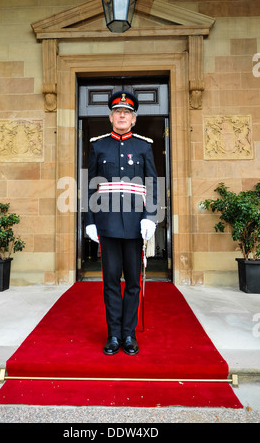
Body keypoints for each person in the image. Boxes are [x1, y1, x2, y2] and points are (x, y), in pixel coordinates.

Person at [85, 91, 158, 355]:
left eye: (127, 112)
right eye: (117, 112)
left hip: (136, 225)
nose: (122, 116)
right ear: (110, 117)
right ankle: (113, 335)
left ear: (134, 119)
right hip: (107, 225)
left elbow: (152, 184)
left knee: (134, 283)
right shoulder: (98, 146)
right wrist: (90, 221)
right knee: (111, 282)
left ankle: (129, 334)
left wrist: (151, 217)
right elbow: (91, 187)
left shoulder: (144, 146)